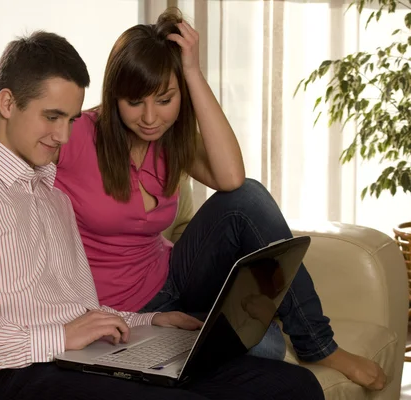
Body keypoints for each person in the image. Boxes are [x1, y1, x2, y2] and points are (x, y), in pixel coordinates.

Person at [0, 30, 325, 400]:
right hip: (14, 376)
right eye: (52, 117)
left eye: (70, 119)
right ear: (7, 103)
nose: (63, 135)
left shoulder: (52, 195)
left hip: (83, 356)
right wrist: (60, 338)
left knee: (294, 387)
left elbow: (82, 311)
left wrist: (151, 320)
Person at [52, 7, 387, 391]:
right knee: (267, 346)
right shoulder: (75, 136)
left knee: (247, 198)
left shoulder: (170, 138)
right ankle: (231, 318)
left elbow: (231, 178)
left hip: (173, 276)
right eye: (134, 102)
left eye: (164, 99)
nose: (149, 118)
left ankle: (318, 343)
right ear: (114, 95)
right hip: (124, 310)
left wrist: (192, 71)